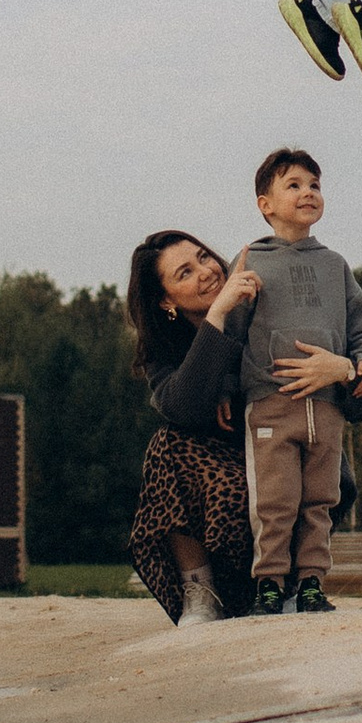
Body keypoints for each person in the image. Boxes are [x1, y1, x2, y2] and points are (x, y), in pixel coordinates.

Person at [235, 151, 362, 619]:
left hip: (328, 409)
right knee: (275, 503)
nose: (308, 193)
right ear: (266, 204)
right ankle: (270, 585)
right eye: (294, 185)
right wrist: (225, 391)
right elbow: (227, 333)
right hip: (270, 405)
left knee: (320, 501)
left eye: (315, 185)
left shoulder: (335, 264)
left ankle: (312, 583)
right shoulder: (247, 261)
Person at [122, 231, 258, 627]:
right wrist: (216, 318)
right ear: (166, 300)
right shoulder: (162, 352)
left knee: (247, 484)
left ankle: (281, 588)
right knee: (167, 444)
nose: (206, 272)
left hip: (286, 472)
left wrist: (349, 369)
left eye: (203, 258)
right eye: (185, 272)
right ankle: (200, 594)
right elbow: (181, 407)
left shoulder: (258, 305)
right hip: (222, 499)